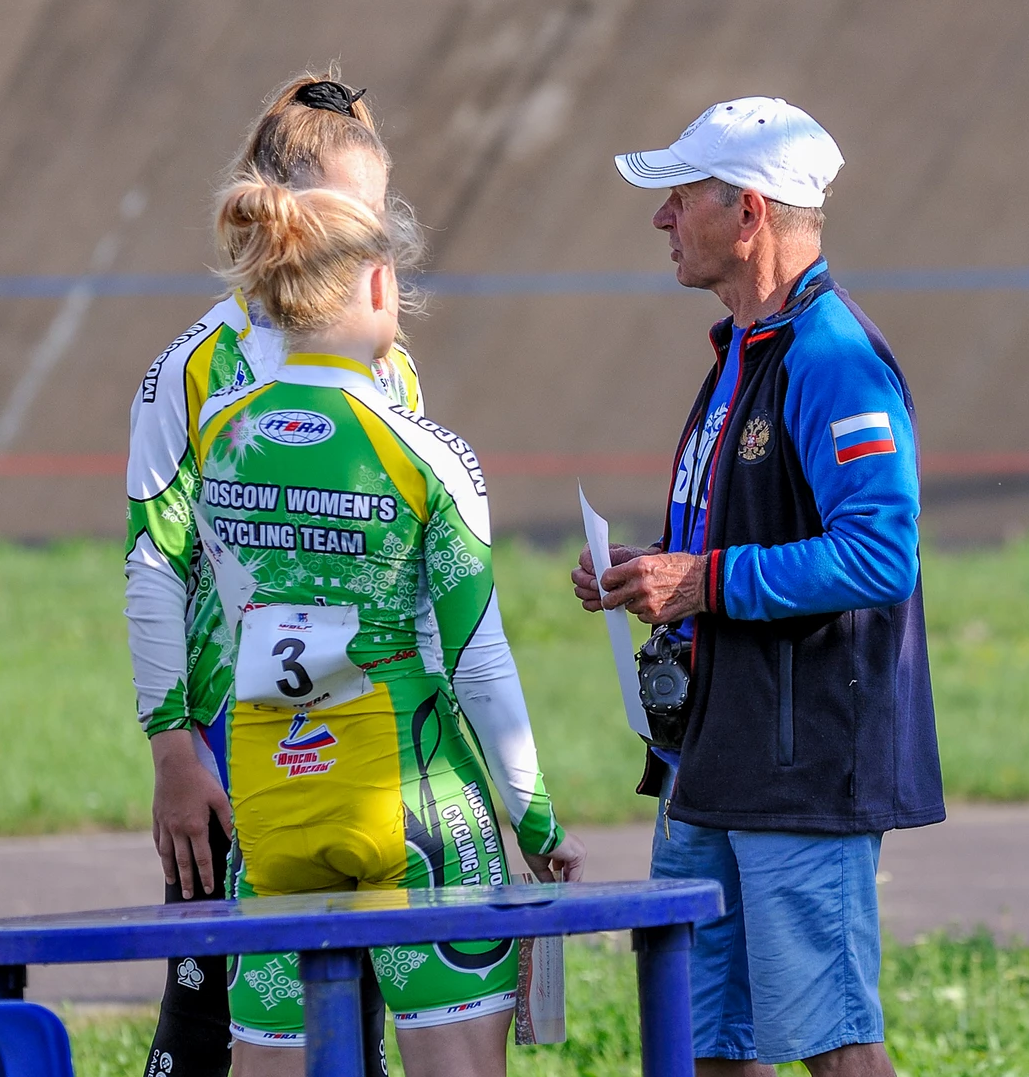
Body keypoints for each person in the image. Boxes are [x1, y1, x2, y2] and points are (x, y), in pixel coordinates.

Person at [572, 97, 944, 1076]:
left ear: (747, 211)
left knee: (833, 1044)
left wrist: (705, 580)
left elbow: (881, 555)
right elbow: (750, 523)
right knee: (702, 1042)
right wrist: (654, 568)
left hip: (799, 769)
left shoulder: (834, 358)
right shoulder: (745, 346)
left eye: (680, 196)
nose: (660, 217)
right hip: (711, 755)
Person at [194, 170, 584, 1077]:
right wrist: (536, 825)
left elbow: (228, 606)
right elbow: (477, 661)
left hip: (271, 800)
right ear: (377, 282)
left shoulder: (218, 431)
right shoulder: (425, 451)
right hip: (409, 796)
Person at [125, 70, 423, 1077]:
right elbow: (153, 564)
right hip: (234, 740)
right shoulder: (192, 368)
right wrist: (173, 752)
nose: (376, 241)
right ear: (279, 208)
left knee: (352, 1025)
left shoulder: (391, 364)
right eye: (356, 213)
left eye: (381, 214)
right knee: (212, 1027)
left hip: (372, 743)